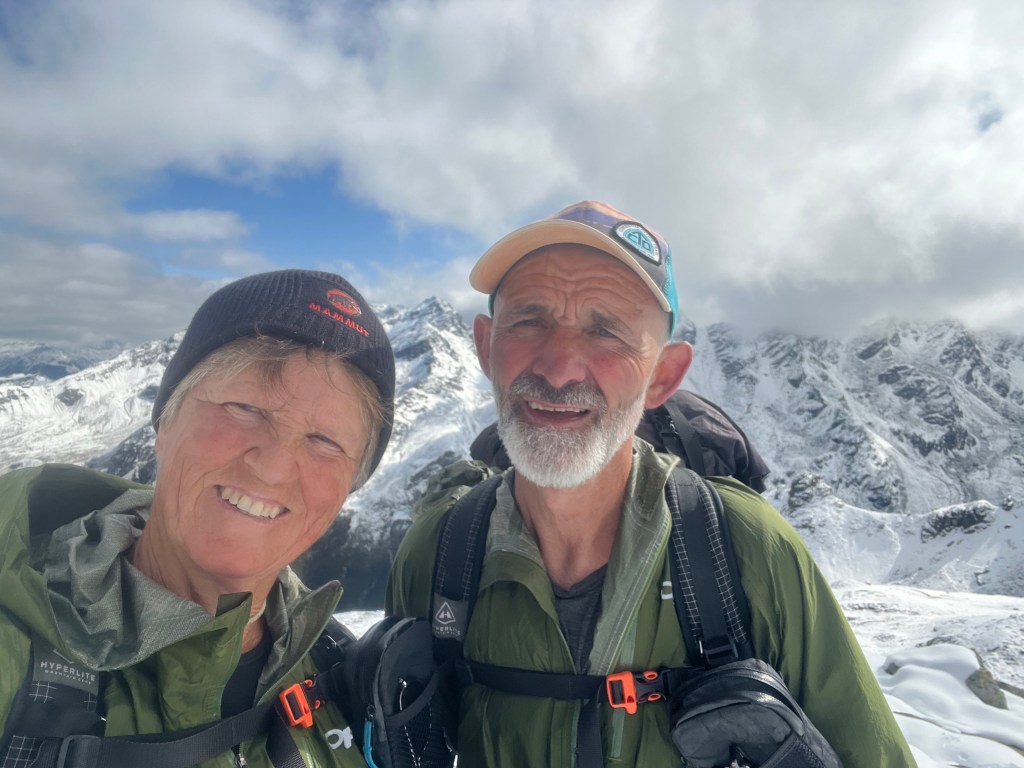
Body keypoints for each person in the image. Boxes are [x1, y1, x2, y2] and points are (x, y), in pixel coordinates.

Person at [386, 201, 917, 766]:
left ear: (663, 375)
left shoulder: (748, 551)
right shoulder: (439, 554)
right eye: (530, 321)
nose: (559, 367)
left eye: (606, 331)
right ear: (485, 346)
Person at [0, 269, 395, 767]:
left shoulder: (345, 680)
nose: (273, 466)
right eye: (244, 408)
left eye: (325, 442)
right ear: (164, 423)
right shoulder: (15, 647)